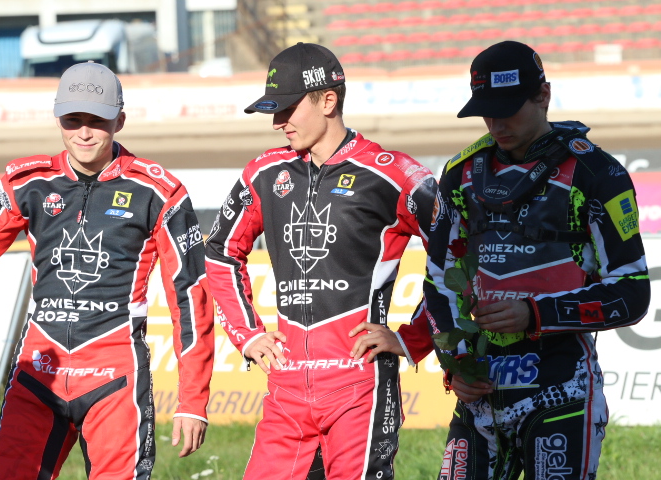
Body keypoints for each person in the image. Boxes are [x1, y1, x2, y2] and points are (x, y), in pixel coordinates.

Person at [0, 61, 214, 479]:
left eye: (97, 121)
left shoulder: (159, 192)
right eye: (73, 120)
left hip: (114, 379)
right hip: (38, 373)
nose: (84, 132)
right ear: (57, 119)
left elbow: (190, 296)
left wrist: (193, 400)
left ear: (119, 120)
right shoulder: (26, 182)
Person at [204, 42, 437, 480]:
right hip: (286, 389)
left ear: (328, 100)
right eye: (274, 111)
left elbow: (456, 255)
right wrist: (247, 335)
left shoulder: (394, 173)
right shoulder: (264, 173)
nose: (278, 123)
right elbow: (219, 251)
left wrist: (413, 338)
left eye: (288, 109)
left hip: (360, 386)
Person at [423, 41, 650, 480]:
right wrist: (455, 362)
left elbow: (632, 292)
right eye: (486, 111)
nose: (496, 123)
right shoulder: (460, 173)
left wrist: (534, 313)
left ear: (543, 95)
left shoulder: (597, 173)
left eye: (508, 109)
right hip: (481, 392)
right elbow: (437, 279)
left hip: (561, 386)